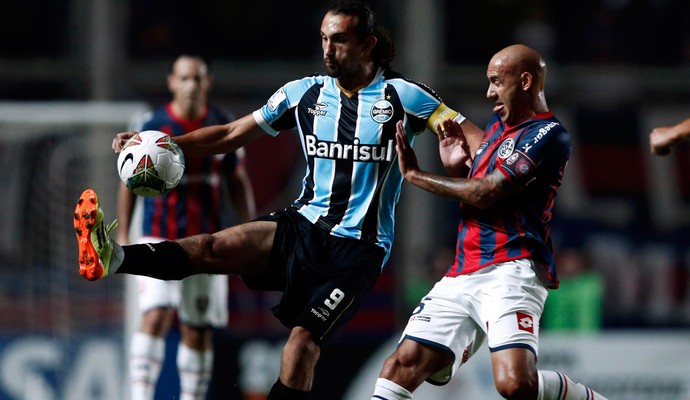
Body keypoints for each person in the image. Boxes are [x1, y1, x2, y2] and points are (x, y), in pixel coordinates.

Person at [72, 2, 482, 399]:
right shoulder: (302, 94)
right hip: (301, 225)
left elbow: (475, 139)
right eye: (323, 39)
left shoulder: (404, 96)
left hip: (358, 251)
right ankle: (114, 257)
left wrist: (507, 161)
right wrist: (162, 143)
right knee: (213, 246)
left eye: (338, 40)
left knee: (300, 347)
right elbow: (231, 134)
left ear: (367, 44)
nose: (328, 50)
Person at [370, 44, 609, 400]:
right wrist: (458, 168)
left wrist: (416, 175)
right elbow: (480, 180)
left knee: (515, 384)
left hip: (511, 270)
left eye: (496, 81)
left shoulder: (548, 134)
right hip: (462, 271)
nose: (489, 92)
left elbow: (487, 192)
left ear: (525, 81)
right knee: (399, 367)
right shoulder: (497, 128)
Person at [120, 54, 256, 400]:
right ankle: (139, 395)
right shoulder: (152, 126)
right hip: (157, 233)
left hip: (206, 241)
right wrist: (124, 236)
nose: (191, 85)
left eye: (198, 78)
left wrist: (250, 229)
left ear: (207, 83)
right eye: (184, 78)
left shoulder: (220, 123)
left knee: (197, 328)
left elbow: (236, 179)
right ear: (171, 83)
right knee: (156, 313)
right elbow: (128, 181)